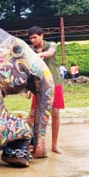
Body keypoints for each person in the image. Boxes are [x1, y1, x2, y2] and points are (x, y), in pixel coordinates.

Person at [27, 26, 64, 155]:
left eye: (35, 37)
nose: (33, 40)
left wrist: (38, 55)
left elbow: (50, 53)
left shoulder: (51, 45)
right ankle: (29, 143)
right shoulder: (30, 50)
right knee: (32, 115)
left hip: (54, 84)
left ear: (42, 35)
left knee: (55, 113)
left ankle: (54, 145)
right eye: (31, 38)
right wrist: (28, 88)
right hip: (38, 86)